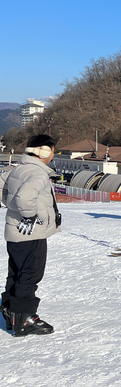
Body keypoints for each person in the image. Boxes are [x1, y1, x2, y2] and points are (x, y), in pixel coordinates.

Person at [0, 134, 60, 336]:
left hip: (15, 233)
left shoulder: (18, 168)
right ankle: (25, 318)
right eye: (52, 150)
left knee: (16, 272)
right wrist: (28, 216)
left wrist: (10, 205)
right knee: (30, 274)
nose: (53, 154)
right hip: (30, 233)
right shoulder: (38, 173)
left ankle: (10, 312)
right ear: (44, 151)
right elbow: (25, 198)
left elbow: (1, 185)